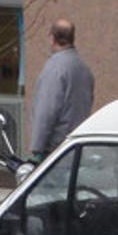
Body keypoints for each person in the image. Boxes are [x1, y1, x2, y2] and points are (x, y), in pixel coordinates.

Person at [30, 19, 95, 160]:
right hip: (77, 146)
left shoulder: (55, 69)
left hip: (55, 150)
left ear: (52, 38)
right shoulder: (84, 68)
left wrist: (37, 149)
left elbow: (46, 111)